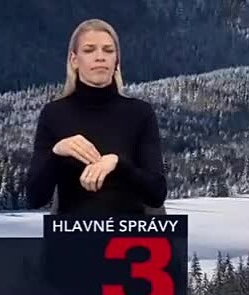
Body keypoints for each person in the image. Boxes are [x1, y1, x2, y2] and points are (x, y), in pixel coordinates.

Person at [25, 18, 167, 215]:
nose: (100, 57)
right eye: (89, 50)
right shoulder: (54, 114)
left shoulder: (140, 113)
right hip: (73, 231)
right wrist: (57, 153)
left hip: (130, 231)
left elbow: (157, 193)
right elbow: (35, 197)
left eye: (108, 51)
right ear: (74, 60)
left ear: (116, 61)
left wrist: (118, 165)